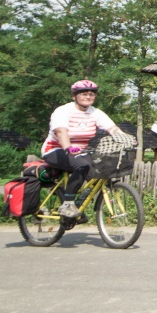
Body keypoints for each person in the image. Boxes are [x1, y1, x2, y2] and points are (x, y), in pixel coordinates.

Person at [41, 79, 125, 219]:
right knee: (82, 165)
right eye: (84, 94)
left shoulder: (95, 113)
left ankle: (79, 205)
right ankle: (67, 204)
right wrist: (68, 147)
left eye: (91, 94)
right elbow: (61, 132)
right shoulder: (63, 111)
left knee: (99, 173)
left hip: (80, 152)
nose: (88, 97)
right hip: (55, 150)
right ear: (74, 96)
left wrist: (125, 139)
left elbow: (112, 128)